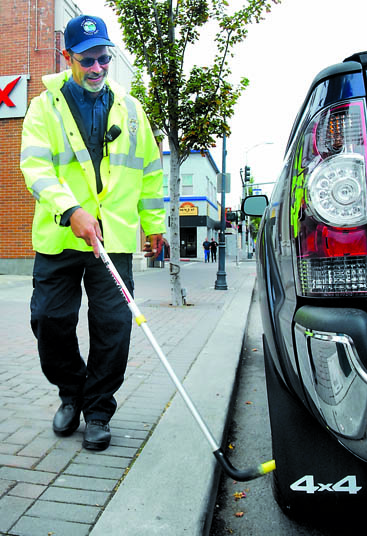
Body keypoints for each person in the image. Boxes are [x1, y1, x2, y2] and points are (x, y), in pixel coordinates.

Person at [20, 15, 166, 451]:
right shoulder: (44, 107)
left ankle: (98, 409)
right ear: (69, 58)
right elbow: (36, 168)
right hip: (61, 235)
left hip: (114, 238)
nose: (98, 67)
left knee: (113, 326)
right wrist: (72, 211)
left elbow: (150, 173)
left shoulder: (132, 109)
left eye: (104, 58)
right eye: (88, 60)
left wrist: (155, 225)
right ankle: (72, 392)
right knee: (50, 321)